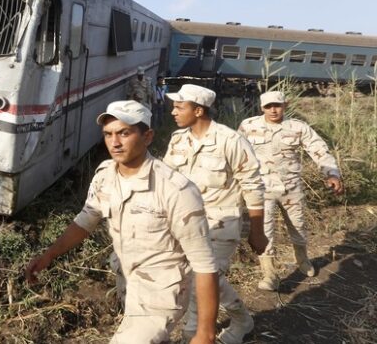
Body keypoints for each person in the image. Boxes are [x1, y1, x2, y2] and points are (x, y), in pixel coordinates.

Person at [26, 100, 219, 344]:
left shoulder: (175, 189)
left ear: (147, 136)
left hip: (162, 292)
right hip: (127, 281)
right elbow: (86, 221)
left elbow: (204, 264)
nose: (114, 143)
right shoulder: (105, 175)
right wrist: (49, 255)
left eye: (124, 133)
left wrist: (205, 333)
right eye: (108, 134)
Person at [163, 84, 267, 344]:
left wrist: (257, 231)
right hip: (184, 224)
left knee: (202, 283)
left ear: (198, 110)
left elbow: (253, 186)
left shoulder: (230, 140)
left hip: (220, 223)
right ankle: (242, 319)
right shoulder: (177, 139)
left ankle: (194, 334)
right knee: (205, 279)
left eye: (179, 106)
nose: (173, 111)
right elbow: (167, 181)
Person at [238, 91, 343, 291]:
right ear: (262, 108)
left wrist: (332, 173)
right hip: (262, 189)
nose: (273, 110)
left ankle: (302, 259)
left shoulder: (297, 127)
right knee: (264, 229)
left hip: (291, 188)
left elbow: (318, 148)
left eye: (277, 105)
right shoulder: (249, 126)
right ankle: (269, 273)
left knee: (298, 225)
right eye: (268, 106)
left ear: (285, 105)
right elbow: (236, 153)